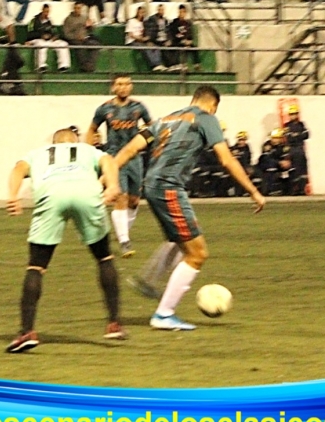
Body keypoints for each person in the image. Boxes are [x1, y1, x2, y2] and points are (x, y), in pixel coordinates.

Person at [114, 86, 266, 330]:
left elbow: (131, 149)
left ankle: (150, 279)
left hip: (152, 185)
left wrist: (108, 177)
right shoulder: (206, 118)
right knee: (197, 254)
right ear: (213, 105)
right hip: (168, 188)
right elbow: (226, 159)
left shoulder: (165, 119)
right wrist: (253, 191)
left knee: (179, 240)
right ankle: (164, 314)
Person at [5, 127, 124, 352]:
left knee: (36, 266)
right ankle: (114, 324)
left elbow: (18, 168)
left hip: (51, 196)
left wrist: (13, 196)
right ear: (75, 141)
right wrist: (112, 185)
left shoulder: (37, 153)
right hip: (86, 194)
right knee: (104, 257)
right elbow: (108, 160)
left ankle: (26, 332)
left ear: (53, 143)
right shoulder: (87, 150)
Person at [85, 74, 151, 257]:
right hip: (114, 157)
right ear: (113, 87)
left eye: (127, 83)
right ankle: (124, 241)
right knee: (121, 197)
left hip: (135, 157)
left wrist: (148, 142)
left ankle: (123, 232)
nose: (124, 87)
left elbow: (151, 127)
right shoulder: (104, 109)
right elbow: (92, 129)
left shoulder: (139, 107)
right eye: (120, 84)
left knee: (134, 200)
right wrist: (89, 151)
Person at [27, 3, 70, 73]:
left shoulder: (49, 21)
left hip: (49, 40)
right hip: (37, 40)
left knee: (63, 44)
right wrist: (41, 35)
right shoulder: (33, 21)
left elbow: (55, 31)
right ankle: (41, 66)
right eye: (45, 11)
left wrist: (55, 36)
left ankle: (63, 66)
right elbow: (30, 33)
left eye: (48, 12)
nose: (46, 13)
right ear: (42, 10)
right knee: (41, 45)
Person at [62, 1, 100, 73]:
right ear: (73, 8)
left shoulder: (84, 18)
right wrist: (75, 37)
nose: (77, 10)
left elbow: (91, 30)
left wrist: (90, 26)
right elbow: (66, 34)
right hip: (74, 39)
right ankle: (84, 67)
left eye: (79, 8)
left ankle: (90, 65)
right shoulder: (68, 19)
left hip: (85, 38)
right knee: (79, 47)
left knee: (95, 45)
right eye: (76, 8)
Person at [284, 105, 309, 195]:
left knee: (302, 169)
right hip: (292, 150)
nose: (293, 116)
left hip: (300, 149)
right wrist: (298, 135)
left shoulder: (301, 124)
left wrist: (296, 135)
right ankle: (294, 189)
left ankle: (302, 189)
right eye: (291, 114)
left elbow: (306, 135)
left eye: (294, 114)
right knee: (293, 170)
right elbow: (289, 138)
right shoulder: (287, 125)